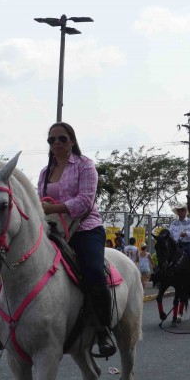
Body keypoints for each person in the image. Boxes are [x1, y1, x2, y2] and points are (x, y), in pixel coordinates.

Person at [37, 121, 117, 359]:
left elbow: (85, 201)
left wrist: (53, 209)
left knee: (92, 270)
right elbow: (39, 201)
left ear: (72, 140)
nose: (57, 143)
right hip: (53, 230)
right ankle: (10, 324)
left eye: (62, 138)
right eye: (52, 140)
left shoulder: (85, 166)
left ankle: (103, 329)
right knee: (22, 260)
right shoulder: (45, 172)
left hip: (85, 228)